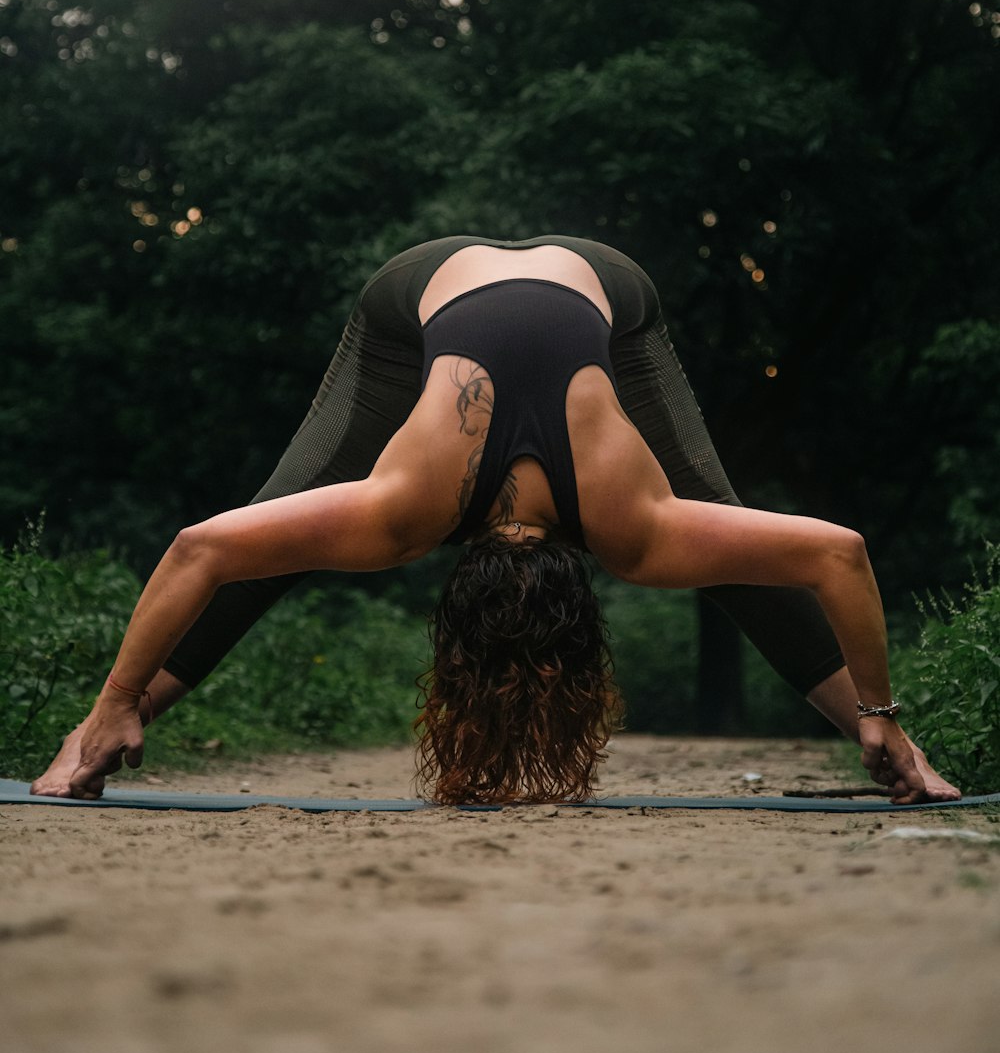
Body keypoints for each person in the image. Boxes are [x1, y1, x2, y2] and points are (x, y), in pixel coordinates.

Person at [31, 235, 960, 805]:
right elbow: (836, 552)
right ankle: (897, 754)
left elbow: (205, 549)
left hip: (536, 286)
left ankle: (93, 735)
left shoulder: (449, 516)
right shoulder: (582, 525)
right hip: (497, 292)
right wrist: (879, 718)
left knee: (270, 540)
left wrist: (117, 704)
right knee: (722, 534)